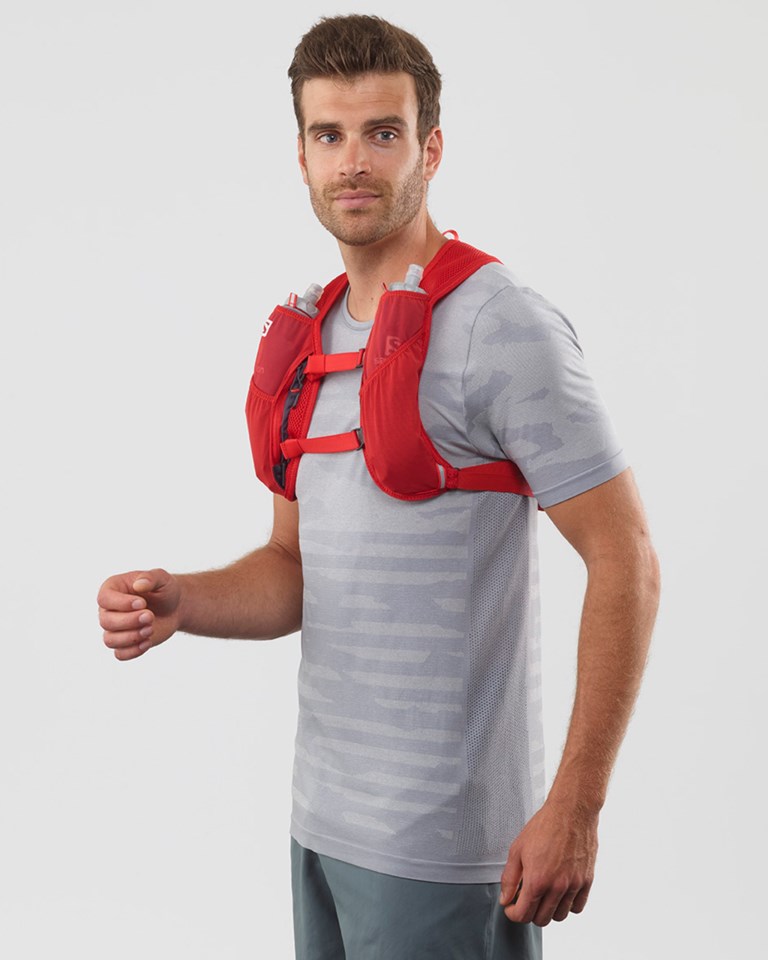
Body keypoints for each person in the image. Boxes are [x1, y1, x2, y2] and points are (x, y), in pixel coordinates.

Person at [97, 14, 660, 960]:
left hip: (444, 849)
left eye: (382, 133)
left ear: (430, 149)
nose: (353, 161)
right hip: (321, 825)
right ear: (302, 156)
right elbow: (293, 567)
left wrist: (576, 804)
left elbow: (626, 557)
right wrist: (182, 602)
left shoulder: (502, 323)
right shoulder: (310, 336)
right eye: (330, 135)